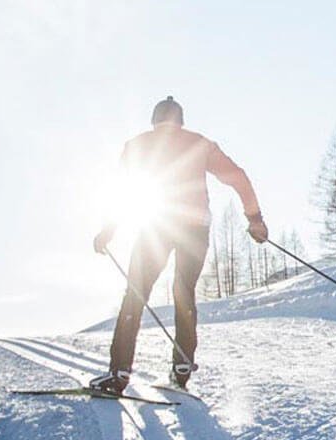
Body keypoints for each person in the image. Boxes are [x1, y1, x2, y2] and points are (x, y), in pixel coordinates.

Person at [91, 96, 267, 396]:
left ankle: (119, 373)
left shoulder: (136, 146)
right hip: (196, 227)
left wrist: (109, 230)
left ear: (154, 120)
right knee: (184, 291)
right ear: (181, 121)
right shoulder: (200, 144)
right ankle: (182, 367)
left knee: (136, 292)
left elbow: (123, 192)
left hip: (157, 225)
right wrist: (255, 220)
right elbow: (238, 177)